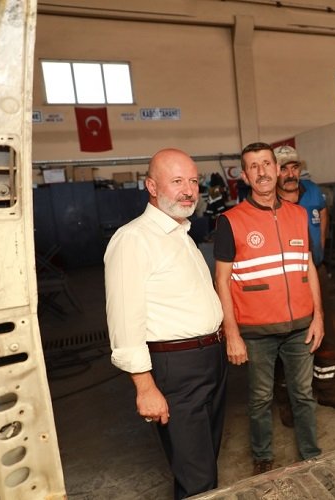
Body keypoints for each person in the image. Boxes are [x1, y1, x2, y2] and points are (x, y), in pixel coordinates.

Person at [104, 148, 227, 499]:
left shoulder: (181, 234)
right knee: (197, 476)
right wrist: (145, 387)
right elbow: (124, 321)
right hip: (177, 369)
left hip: (209, 360)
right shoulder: (133, 239)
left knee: (203, 462)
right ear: (152, 186)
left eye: (193, 181)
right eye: (177, 181)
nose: (189, 190)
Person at [213, 142, 324, 476]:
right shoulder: (230, 221)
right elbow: (221, 280)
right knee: (260, 398)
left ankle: (312, 454)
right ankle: (263, 456)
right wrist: (232, 333)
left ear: (277, 169)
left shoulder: (299, 214)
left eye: (266, 164)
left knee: (303, 395)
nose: (261, 172)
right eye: (253, 166)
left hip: (301, 326)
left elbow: (308, 266)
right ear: (245, 176)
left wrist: (318, 316)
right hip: (256, 331)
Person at [273, 145, 335, 426]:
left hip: (316, 271)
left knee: (327, 330)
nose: (290, 174)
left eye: (294, 167)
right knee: (286, 337)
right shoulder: (269, 199)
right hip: (285, 277)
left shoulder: (312, 191)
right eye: (283, 168)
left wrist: (319, 257)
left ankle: (328, 390)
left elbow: (323, 219)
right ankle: (287, 401)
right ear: (274, 171)